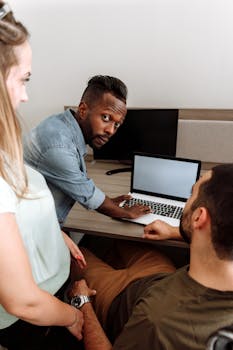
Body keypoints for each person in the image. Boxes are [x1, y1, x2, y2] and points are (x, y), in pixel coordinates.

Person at [68, 164, 233, 350]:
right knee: (122, 240)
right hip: (161, 277)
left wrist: (82, 302)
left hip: (123, 301)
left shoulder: (156, 323)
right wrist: (172, 231)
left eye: (191, 194)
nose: (188, 200)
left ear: (198, 218)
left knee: (77, 254)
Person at [0, 2, 86, 349]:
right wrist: (74, 315)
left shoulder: (6, 145)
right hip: (38, 317)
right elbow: (24, 302)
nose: (25, 95)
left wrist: (50, 229)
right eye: (23, 80)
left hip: (53, 288)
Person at [23, 75, 150, 226]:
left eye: (117, 125)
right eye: (106, 117)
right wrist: (128, 212)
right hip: (29, 229)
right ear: (82, 110)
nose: (111, 131)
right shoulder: (59, 146)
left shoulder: (62, 125)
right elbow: (88, 195)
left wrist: (109, 201)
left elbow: (81, 186)